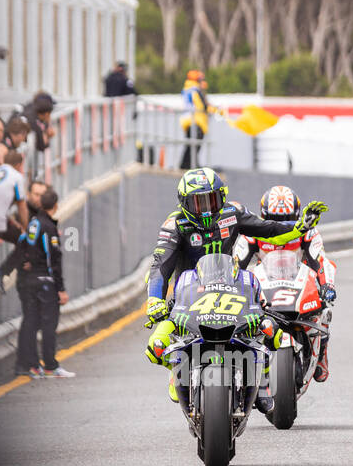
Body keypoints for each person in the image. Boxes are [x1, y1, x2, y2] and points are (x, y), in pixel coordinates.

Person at [144, 167, 326, 403]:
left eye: (210, 200)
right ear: (184, 203)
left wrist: (301, 227)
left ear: (222, 196)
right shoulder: (174, 225)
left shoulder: (234, 213)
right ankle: (177, 369)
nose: (206, 209)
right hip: (189, 297)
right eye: (197, 203)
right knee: (155, 346)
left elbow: (269, 231)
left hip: (233, 289)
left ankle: (261, 383)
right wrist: (154, 301)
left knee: (272, 331)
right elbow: (160, 266)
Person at [236, 185, 337, 381]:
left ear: (297, 215)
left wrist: (328, 285)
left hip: (298, 283)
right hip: (266, 285)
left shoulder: (308, 232)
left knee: (324, 312)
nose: (281, 224)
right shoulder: (252, 233)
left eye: (287, 219)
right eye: (274, 219)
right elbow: (236, 262)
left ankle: (322, 353)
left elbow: (322, 260)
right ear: (264, 216)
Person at [7, 187, 71, 378]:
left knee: (31, 322)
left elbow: (24, 246)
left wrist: (26, 262)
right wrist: (60, 288)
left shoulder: (33, 223)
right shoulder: (49, 228)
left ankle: (33, 365)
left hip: (29, 280)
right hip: (45, 282)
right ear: (56, 205)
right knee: (49, 325)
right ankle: (51, 365)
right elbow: (53, 260)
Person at [0, 144, 28, 284]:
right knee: (27, 242)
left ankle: (1, 272)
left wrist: (12, 221)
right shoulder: (17, 177)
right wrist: (25, 228)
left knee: (20, 239)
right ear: (20, 164)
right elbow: (22, 206)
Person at [179, 70, 218, 170]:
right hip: (196, 121)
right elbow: (202, 106)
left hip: (187, 121)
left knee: (190, 145)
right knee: (195, 145)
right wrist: (215, 110)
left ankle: (184, 165)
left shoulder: (187, 89)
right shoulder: (195, 90)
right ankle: (192, 165)